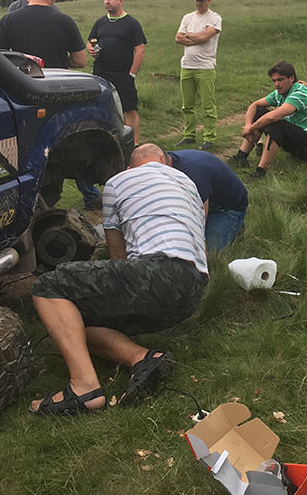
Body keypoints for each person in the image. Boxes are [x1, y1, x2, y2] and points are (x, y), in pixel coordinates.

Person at [29, 146, 208, 415]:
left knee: (48, 286)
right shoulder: (187, 182)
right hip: (193, 290)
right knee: (72, 323)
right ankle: (144, 359)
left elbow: (117, 256)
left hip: (158, 272)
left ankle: (84, 388)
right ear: (163, 161)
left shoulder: (118, 181)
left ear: (129, 168)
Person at [0, 0, 96, 207]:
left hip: (23, 94)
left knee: (29, 148)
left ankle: (29, 198)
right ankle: (88, 194)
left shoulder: (9, 20)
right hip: (56, 93)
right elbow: (80, 60)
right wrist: (59, 59)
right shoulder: (64, 21)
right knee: (68, 141)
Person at [136, 143, 248, 251]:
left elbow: (200, 219)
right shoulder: (165, 163)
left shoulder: (193, 175)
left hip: (227, 208)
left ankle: (235, 224)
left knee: (202, 251)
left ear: (161, 160)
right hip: (203, 197)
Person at [229, 61, 307, 179]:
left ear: (291, 78)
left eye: (280, 80)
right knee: (259, 111)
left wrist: (251, 128)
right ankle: (241, 157)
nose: (277, 84)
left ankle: (260, 172)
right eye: (274, 81)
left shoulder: (299, 93)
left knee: (276, 125)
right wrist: (247, 126)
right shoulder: (280, 93)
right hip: (301, 137)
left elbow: (272, 117)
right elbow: (254, 105)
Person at [88, 0, 146, 145]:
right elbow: (90, 41)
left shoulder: (131, 23)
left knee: (129, 110)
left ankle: (133, 144)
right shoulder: (100, 22)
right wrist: (91, 50)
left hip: (123, 74)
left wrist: (131, 74)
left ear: (120, 1)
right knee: (101, 107)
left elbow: (140, 51)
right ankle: (106, 141)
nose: (107, 2)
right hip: (101, 73)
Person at [0, 0, 87, 69]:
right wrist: (61, 58)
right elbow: (80, 61)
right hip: (55, 76)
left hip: (22, 77)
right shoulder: (66, 21)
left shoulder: (8, 20)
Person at [175, 0, 222, 151]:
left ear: (208, 0)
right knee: (187, 105)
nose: (198, 3)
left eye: (201, 0)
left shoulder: (215, 18)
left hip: (205, 67)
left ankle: (209, 137)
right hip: (187, 66)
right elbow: (178, 38)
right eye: (196, 0)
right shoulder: (187, 17)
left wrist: (189, 35)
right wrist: (197, 37)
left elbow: (205, 37)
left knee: (208, 105)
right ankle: (189, 135)